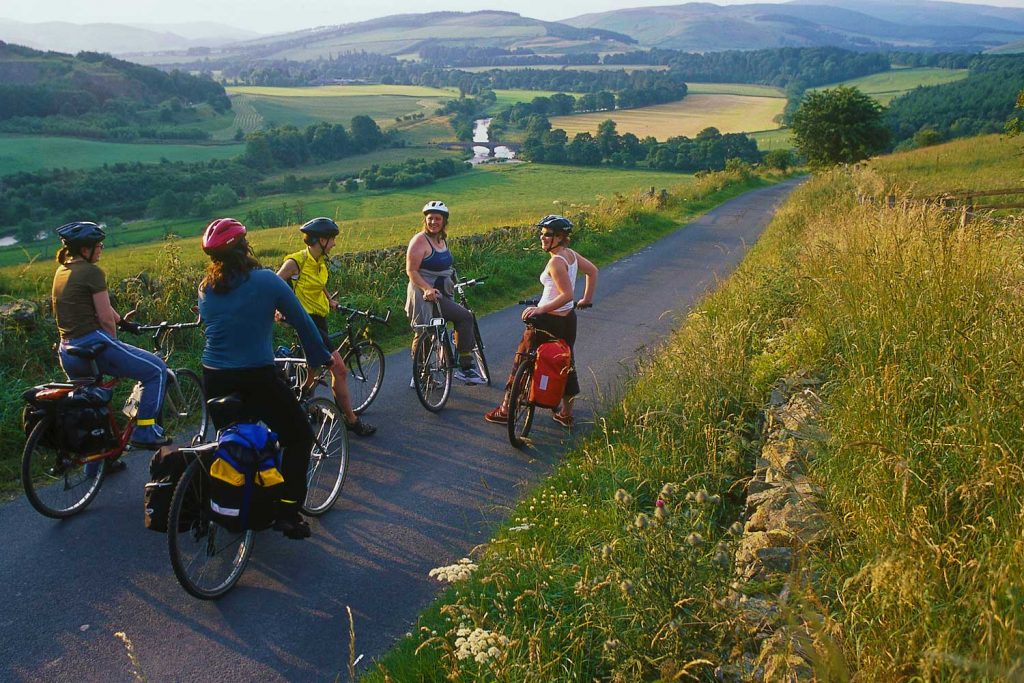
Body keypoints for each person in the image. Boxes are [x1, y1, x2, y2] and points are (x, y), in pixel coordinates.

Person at [198, 218, 333, 540]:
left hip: (214, 376)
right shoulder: (267, 282)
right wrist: (319, 359)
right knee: (298, 437)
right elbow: (304, 323)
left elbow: (217, 322)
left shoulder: (205, 287)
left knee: (233, 442)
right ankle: (287, 513)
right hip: (256, 375)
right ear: (246, 247)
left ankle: (232, 502)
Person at [51, 221, 170, 457]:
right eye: (99, 245)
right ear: (86, 249)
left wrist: (123, 322)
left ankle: (100, 463)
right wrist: (114, 343)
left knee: (92, 407)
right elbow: (104, 318)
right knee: (157, 369)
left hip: (68, 351)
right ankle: (145, 431)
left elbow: (99, 309)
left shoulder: (62, 271)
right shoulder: (92, 272)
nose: (101, 249)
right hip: (93, 343)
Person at [484, 215, 597, 427]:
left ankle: (507, 410)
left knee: (521, 359)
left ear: (561, 237)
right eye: (542, 234)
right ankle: (566, 413)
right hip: (568, 320)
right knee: (566, 363)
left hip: (547, 320)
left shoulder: (556, 261)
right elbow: (592, 271)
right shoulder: (570, 255)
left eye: (548, 235)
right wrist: (587, 300)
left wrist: (540, 309)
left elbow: (566, 295)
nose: (542, 238)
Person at [276, 217, 375, 436]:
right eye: (332, 240)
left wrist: (329, 299)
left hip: (319, 318)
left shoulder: (319, 261)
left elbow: (317, 284)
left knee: (313, 368)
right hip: (305, 321)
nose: (334, 244)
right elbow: (275, 282)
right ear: (321, 239)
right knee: (339, 369)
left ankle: (305, 405)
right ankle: (351, 420)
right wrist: (280, 308)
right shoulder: (296, 262)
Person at [405, 200, 485, 385]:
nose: (433, 222)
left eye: (437, 218)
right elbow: (411, 271)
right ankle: (424, 374)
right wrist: (426, 288)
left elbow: (444, 265)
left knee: (462, 318)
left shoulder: (441, 240)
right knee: (426, 329)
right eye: (430, 218)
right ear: (425, 220)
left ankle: (461, 367)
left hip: (442, 293)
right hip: (423, 294)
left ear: (444, 221)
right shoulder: (419, 240)